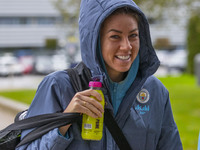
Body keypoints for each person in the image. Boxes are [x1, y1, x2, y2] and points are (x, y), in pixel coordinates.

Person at [16, 0, 183, 149]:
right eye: (115, 37)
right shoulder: (58, 86)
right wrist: (64, 121)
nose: (126, 46)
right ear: (94, 41)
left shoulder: (155, 91)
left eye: (133, 36)